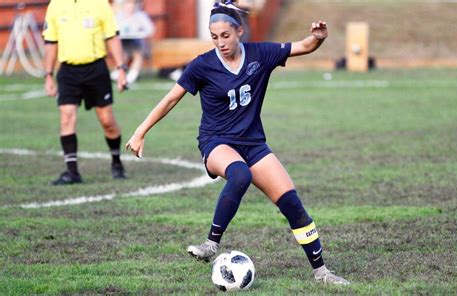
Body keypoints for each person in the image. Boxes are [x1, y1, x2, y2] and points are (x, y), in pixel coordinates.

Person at [126, 2, 350, 286]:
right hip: (216, 142)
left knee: (292, 204)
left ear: (239, 31)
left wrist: (318, 38)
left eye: (225, 35)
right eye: (214, 36)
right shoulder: (202, 65)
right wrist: (140, 131)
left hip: (254, 144)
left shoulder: (261, 54)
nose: (220, 42)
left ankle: (322, 273)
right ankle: (211, 243)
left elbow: (303, 46)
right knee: (240, 173)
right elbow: (170, 99)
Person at [43, 0, 128, 185]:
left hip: (96, 69)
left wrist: (121, 69)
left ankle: (116, 163)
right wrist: (48, 74)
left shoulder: (100, 4)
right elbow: (50, 42)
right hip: (67, 71)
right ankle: (72, 172)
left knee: (107, 121)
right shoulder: (55, 5)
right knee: (66, 117)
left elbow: (112, 37)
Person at [111, 0, 155, 84]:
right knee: (122, 53)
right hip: (123, 42)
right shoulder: (119, 16)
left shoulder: (141, 16)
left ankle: (132, 76)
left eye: (132, 5)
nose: (130, 7)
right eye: (128, 5)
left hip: (137, 42)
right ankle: (118, 73)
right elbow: (114, 29)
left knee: (138, 53)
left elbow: (150, 30)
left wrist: (141, 33)